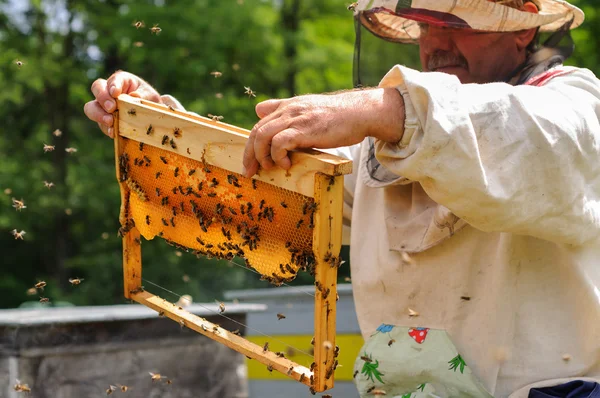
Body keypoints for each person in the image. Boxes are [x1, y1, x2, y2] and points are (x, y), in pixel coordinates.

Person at [84, 0, 600, 396]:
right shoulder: (381, 146)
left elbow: (525, 137)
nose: (436, 43)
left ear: (523, 31)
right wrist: (158, 133)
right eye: (425, 23)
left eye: (460, 24)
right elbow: (257, 209)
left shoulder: (574, 106)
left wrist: (387, 107)